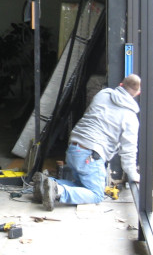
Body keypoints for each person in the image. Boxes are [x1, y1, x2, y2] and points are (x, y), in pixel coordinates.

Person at [35, 73, 141, 210]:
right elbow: (129, 151)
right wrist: (133, 174)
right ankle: (58, 191)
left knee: (82, 187)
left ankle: (47, 183)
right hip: (90, 155)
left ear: (121, 84)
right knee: (96, 194)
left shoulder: (103, 94)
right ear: (138, 93)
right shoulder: (131, 118)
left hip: (74, 148)